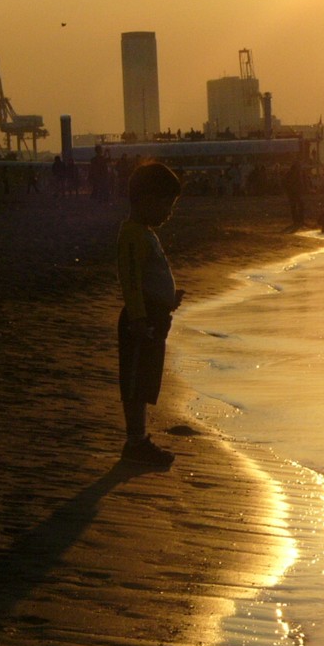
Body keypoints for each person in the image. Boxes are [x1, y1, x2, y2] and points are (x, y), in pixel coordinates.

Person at [116, 162, 185, 466]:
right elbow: (130, 280)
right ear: (145, 200)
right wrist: (138, 319)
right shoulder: (132, 235)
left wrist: (169, 300)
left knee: (145, 381)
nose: (168, 213)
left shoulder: (145, 233)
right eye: (165, 205)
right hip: (140, 321)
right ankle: (135, 441)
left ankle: (139, 439)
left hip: (154, 318)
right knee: (135, 382)